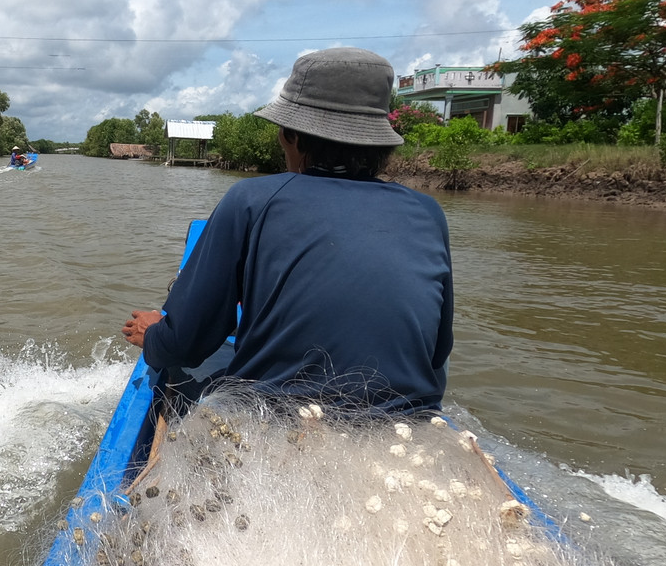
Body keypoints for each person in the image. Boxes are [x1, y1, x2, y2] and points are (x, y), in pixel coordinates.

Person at [121, 46, 453, 420]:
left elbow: (185, 344)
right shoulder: (428, 212)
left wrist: (154, 335)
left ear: (291, 135)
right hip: (408, 423)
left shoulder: (251, 200)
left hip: (277, 425)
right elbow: (437, 355)